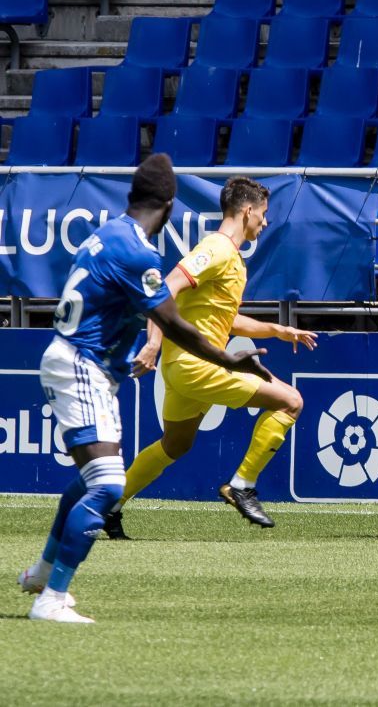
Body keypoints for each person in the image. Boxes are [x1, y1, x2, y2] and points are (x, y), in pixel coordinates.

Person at [17, 154, 271, 623]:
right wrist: (226, 356)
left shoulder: (105, 234)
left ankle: (42, 571)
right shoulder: (138, 253)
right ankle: (50, 599)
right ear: (170, 206)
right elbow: (173, 321)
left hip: (81, 364)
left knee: (93, 479)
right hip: (81, 365)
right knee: (109, 483)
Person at [103, 176, 317, 538]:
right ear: (247, 211)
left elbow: (224, 318)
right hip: (195, 364)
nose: (264, 223)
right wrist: (153, 341)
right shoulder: (217, 248)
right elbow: (165, 286)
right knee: (290, 402)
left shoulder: (229, 257)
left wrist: (279, 330)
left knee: (176, 444)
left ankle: (109, 506)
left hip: (183, 368)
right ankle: (242, 484)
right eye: (263, 214)